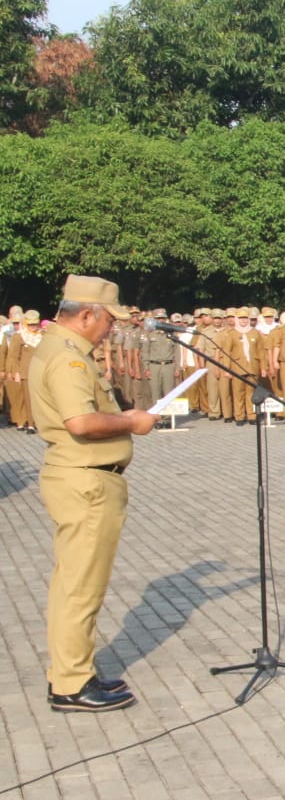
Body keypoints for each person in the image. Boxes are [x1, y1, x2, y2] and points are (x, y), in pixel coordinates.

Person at [31, 275, 157, 712]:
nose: (110, 329)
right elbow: (81, 423)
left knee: (76, 583)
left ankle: (74, 670)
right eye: (107, 320)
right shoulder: (68, 359)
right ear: (85, 314)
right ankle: (69, 684)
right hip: (85, 480)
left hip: (84, 477)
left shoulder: (64, 350)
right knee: (80, 588)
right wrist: (131, 422)